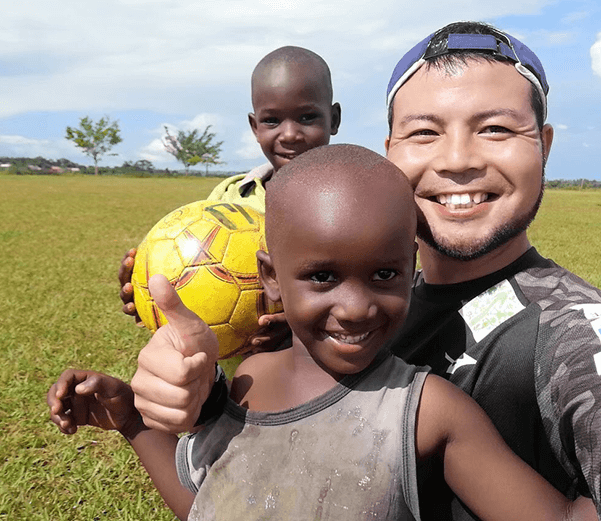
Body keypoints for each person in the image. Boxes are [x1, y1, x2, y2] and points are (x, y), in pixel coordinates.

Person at [128, 21, 601, 519]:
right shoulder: (370, 308)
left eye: (496, 129)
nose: (458, 159)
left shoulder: (570, 332)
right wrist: (198, 388)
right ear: (390, 148)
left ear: (544, 145)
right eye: (425, 132)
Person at [48, 144, 597, 521]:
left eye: (385, 275)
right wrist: (131, 420)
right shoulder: (249, 379)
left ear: (411, 268)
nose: (356, 308)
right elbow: (210, 506)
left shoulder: (427, 410)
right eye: (322, 277)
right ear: (271, 279)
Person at [119, 45, 340, 339]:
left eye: (307, 117)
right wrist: (152, 290)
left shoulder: (350, 202)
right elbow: (196, 272)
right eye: (272, 120)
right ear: (254, 126)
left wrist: (304, 321)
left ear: (334, 119)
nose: (289, 134)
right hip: (234, 371)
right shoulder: (230, 197)